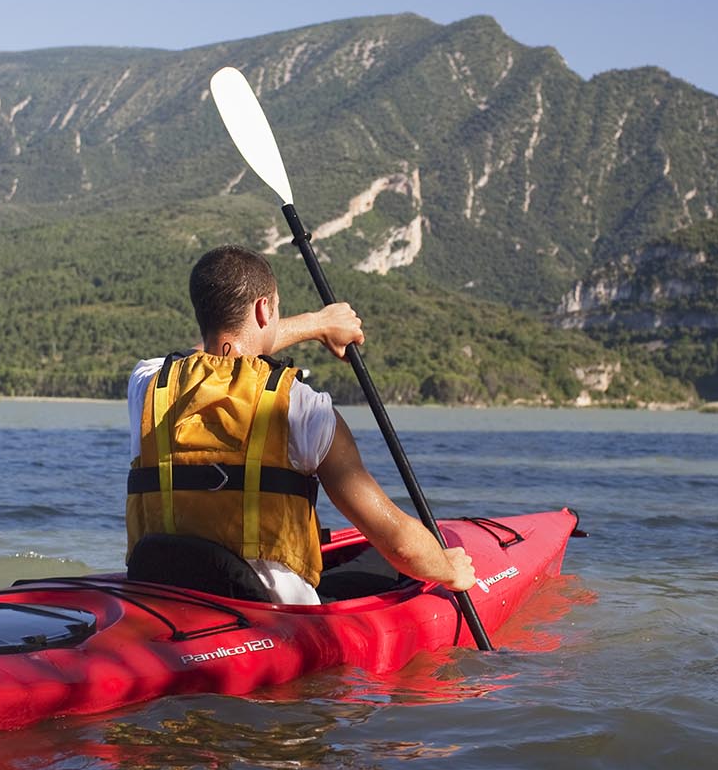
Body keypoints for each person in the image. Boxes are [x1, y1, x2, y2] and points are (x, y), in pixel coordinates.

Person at [125, 245, 476, 605]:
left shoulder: (150, 384)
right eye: (276, 308)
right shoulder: (305, 408)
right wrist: (449, 569)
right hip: (274, 615)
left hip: (161, 597)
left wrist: (319, 324)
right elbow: (400, 544)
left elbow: (208, 354)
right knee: (387, 562)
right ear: (264, 309)